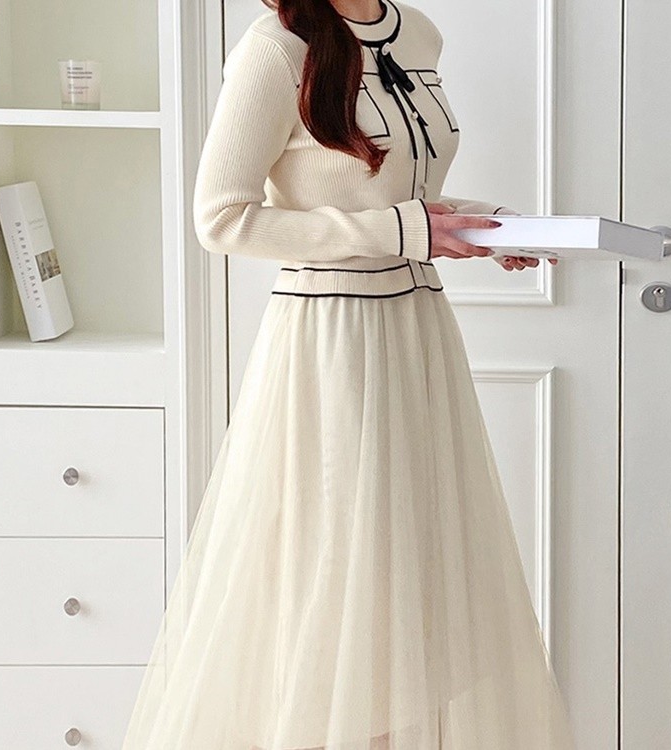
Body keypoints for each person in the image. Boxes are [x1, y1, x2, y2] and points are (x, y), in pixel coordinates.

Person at [121, 0, 576, 748]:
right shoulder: (275, 48)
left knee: (414, 571)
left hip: (416, 329)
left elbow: (394, 197)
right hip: (332, 339)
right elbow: (222, 218)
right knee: (336, 571)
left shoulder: (416, 31)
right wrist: (406, 229)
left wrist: (488, 224)